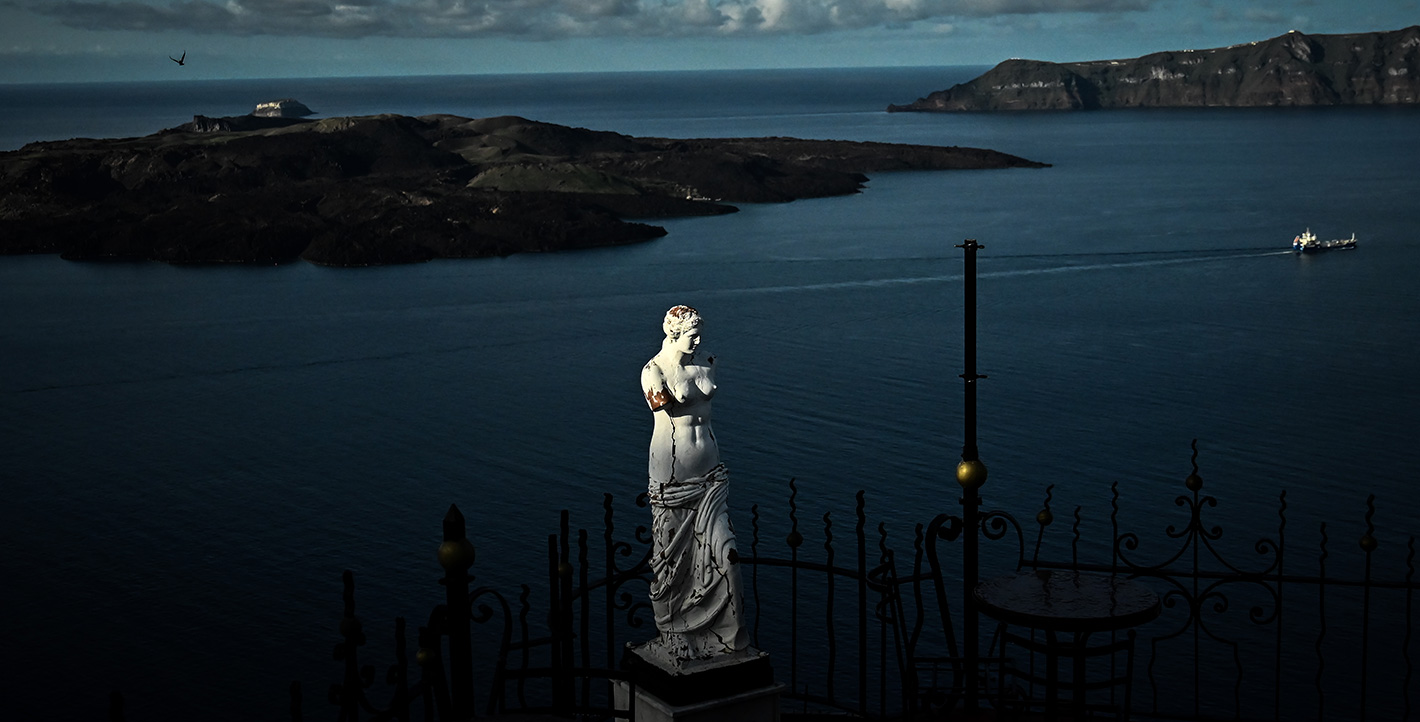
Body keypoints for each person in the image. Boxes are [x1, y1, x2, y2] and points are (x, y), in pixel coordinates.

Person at [640, 305, 749, 660]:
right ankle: (673, 630)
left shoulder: (708, 361)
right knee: (673, 560)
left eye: (700, 333)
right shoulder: (653, 372)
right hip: (673, 475)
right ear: (672, 334)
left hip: (711, 474)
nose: (699, 340)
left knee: (726, 555)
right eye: (691, 334)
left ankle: (727, 636)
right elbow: (664, 410)